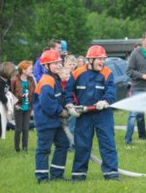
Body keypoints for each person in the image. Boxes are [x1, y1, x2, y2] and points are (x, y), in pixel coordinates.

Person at [65, 45, 119, 181]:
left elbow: (112, 91)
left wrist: (105, 101)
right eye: (99, 59)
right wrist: (70, 105)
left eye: (103, 59)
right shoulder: (77, 73)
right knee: (82, 145)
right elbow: (68, 92)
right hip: (84, 115)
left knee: (107, 144)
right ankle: (78, 176)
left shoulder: (107, 73)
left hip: (103, 115)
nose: (102, 62)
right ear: (90, 60)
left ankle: (111, 175)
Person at [33, 50, 70, 183]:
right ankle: (42, 178)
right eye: (54, 63)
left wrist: (69, 106)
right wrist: (61, 111)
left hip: (55, 121)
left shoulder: (55, 78)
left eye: (59, 62)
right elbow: (47, 102)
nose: (58, 65)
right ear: (46, 66)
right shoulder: (47, 80)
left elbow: (61, 97)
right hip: (46, 121)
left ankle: (57, 175)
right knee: (44, 149)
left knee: (63, 144)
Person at [11, 61, 36, 152]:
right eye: (30, 69)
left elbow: (34, 94)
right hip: (19, 107)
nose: (32, 71)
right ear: (24, 70)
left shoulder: (31, 80)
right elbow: (10, 94)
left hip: (28, 108)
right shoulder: (14, 80)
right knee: (18, 129)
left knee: (26, 128)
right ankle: (17, 148)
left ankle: (25, 148)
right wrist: (15, 104)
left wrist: (32, 107)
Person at [63, 55, 77, 151]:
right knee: (67, 126)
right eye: (69, 64)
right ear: (65, 64)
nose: (71, 66)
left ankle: (73, 144)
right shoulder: (63, 75)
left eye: (73, 64)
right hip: (66, 104)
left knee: (73, 126)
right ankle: (69, 145)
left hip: (75, 104)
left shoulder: (76, 75)